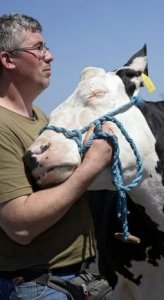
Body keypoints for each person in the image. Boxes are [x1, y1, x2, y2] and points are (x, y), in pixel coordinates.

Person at [0, 13, 113, 299]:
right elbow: (20, 225)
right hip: (36, 286)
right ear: (8, 60)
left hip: (69, 278)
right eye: (38, 48)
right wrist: (91, 166)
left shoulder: (41, 119)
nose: (49, 56)